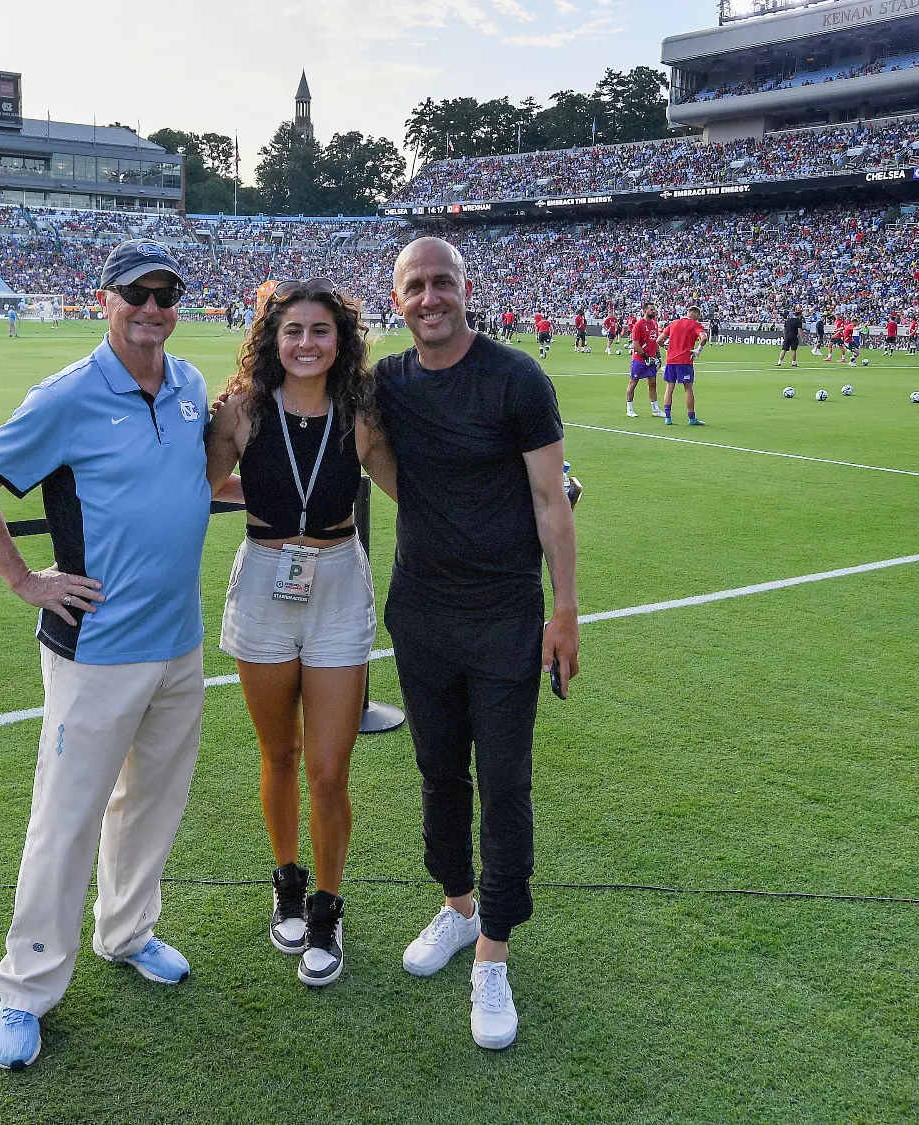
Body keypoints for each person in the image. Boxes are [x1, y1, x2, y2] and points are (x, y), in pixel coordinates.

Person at [0, 240, 225, 1071]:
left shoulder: (188, 386)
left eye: (165, 294)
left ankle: (127, 931)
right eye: (136, 293)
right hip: (96, 649)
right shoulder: (67, 394)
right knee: (64, 821)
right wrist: (25, 579)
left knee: (150, 806)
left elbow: (197, 484)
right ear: (105, 299)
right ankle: (26, 986)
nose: (151, 307)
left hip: (179, 644)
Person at [376, 236, 579, 1051]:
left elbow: (552, 498)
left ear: (466, 289)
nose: (430, 297)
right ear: (398, 299)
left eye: (442, 282)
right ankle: (458, 906)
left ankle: (493, 948)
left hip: (503, 615)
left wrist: (564, 611)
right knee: (436, 772)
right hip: (419, 611)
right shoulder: (387, 382)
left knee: (503, 781)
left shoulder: (516, 377)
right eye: (415, 286)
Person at [205, 278, 398, 988]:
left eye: (321, 330)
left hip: (339, 586)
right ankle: (287, 878)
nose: (307, 343)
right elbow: (193, 483)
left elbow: (410, 487)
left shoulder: (361, 413)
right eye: (293, 331)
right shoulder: (241, 411)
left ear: (340, 340)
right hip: (262, 582)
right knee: (278, 753)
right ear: (272, 339)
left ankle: (327, 907)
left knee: (328, 768)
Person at [661, 304, 707, 426]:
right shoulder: (695, 325)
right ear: (695, 314)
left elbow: (659, 341)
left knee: (669, 388)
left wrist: (667, 347)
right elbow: (704, 338)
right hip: (685, 361)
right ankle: (691, 418)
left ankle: (668, 418)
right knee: (688, 388)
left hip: (671, 361)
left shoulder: (673, 323)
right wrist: (699, 349)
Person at [626, 300, 663, 419]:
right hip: (639, 359)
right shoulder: (638, 325)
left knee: (652, 383)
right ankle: (629, 409)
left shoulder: (655, 324)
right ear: (645, 311)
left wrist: (658, 355)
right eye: (652, 309)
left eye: (654, 309)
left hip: (651, 359)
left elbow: (655, 341)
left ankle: (655, 409)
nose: (654, 311)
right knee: (633, 383)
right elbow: (635, 344)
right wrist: (645, 356)